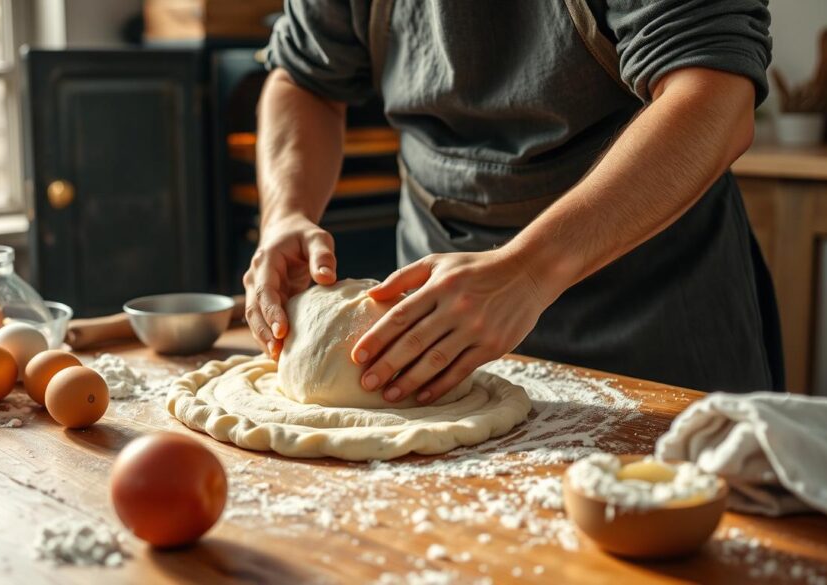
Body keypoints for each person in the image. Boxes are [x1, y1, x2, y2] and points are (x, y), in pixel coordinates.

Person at [243, 0, 784, 403]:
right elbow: (305, 77)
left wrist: (527, 272)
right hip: (433, 341)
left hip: (651, 327)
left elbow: (713, 96)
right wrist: (286, 212)